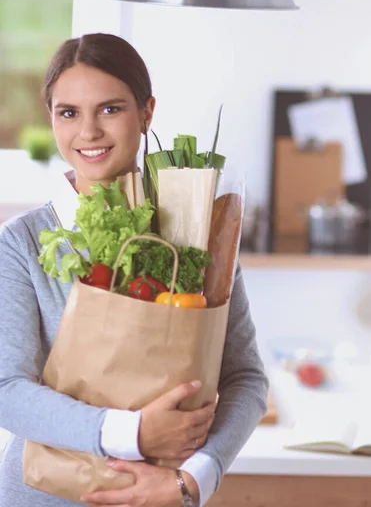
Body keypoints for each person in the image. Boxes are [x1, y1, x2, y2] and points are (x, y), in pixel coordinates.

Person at [0, 33, 268, 507]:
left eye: (110, 109)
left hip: (166, 497)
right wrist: (134, 434)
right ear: (52, 120)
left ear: (147, 113)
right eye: (69, 113)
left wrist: (194, 478)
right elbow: (7, 389)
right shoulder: (22, 242)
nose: (89, 132)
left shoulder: (201, 229)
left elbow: (244, 378)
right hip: (42, 496)